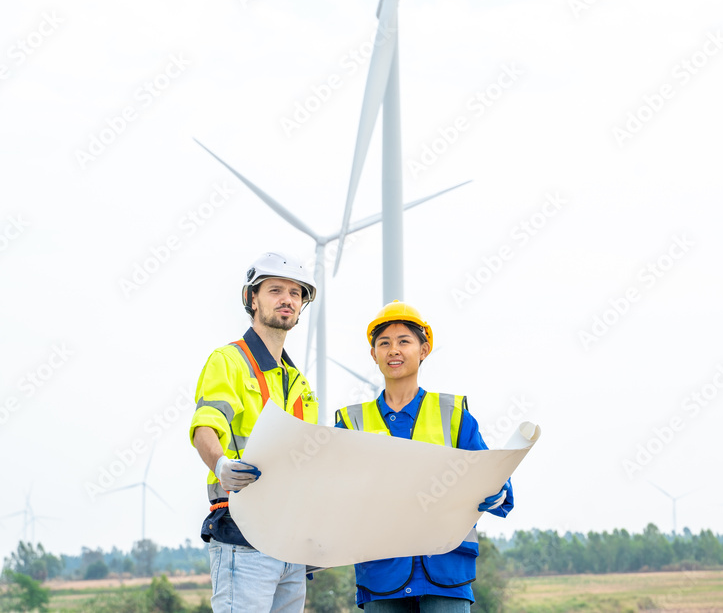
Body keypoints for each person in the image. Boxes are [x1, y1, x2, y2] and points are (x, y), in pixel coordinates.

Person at [335, 300, 513, 612]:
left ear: (424, 350)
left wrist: (498, 492)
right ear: (373, 353)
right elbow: (331, 490)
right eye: (384, 343)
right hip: (380, 573)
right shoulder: (350, 423)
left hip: (446, 570)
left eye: (404, 341)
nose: (394, 350)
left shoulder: (454, 415)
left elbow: (490, 473)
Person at [189, 251, 319, 612]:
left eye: (296, 293)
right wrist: (220, 465)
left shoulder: (300, 384)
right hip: (243, 532)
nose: (287, 300)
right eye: (276, 290)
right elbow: (205, 426)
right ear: (252, 299)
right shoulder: (228, 361)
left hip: (289, 542)